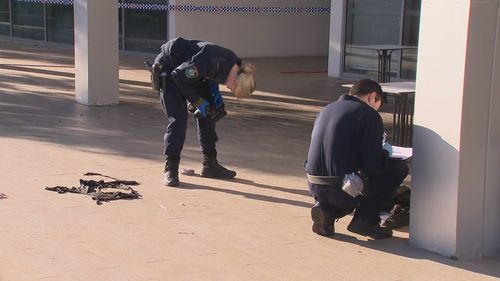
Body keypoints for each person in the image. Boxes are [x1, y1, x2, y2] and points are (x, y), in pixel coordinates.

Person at [305, 79, 409, 239]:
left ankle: (327, 211)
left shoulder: (326, 109)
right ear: (373, 97)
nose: (376, 109)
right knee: (397, 167)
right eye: (378, 104)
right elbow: (373, 165)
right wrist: (386, 154)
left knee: (348, 175)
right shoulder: (369, 115)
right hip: (344, 188)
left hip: (315, 185)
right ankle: (365, 220)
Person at [152, 37, 256, 187]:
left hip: (189, 70)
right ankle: (171, 168)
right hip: (170, 68)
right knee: (178, 119)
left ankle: (210, 165)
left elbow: (209, 73)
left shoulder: (232, 63)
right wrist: (197, 101)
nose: (230, 90)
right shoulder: (215, 60)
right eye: (233, 89)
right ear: (235, 80)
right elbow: (179, 76)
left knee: (209, 112)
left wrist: (214, 94)